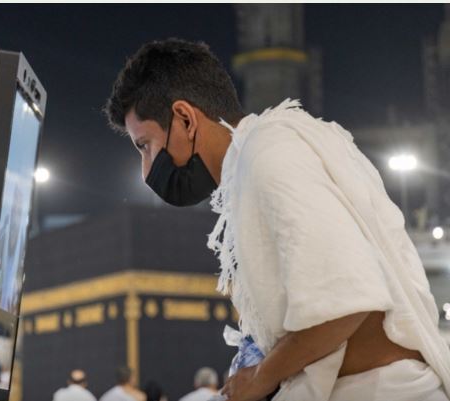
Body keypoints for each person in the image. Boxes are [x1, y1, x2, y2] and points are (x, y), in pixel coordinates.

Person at [104, 38, 450, 401]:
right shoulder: (259, 157)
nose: (146, 172)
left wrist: (260, 378)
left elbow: (347, 301)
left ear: (186, 119)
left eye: (144, 146)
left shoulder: (269, 152)